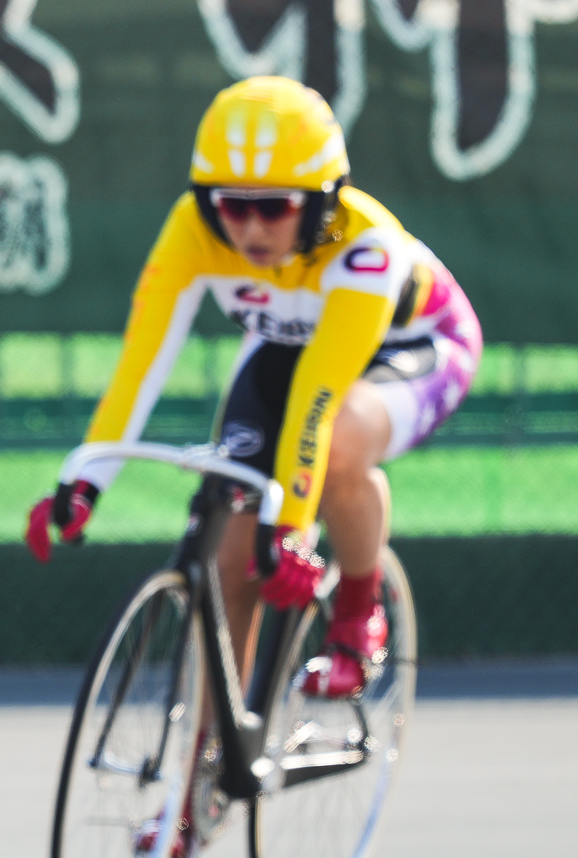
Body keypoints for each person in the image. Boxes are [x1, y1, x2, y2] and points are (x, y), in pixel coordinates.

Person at [27, 76, 480, 708]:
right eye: (231, 205)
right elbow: (141, 366)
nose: (250, 229)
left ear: (323, 201)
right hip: (288, 344)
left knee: (340, 444)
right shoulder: (193, 228)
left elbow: (317, 399)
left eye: (275, 207)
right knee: (234, 557)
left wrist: (292, 528)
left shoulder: (366, 245)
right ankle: (205, 781)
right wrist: (85, 482)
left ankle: (357, 611)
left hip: (408, 347)